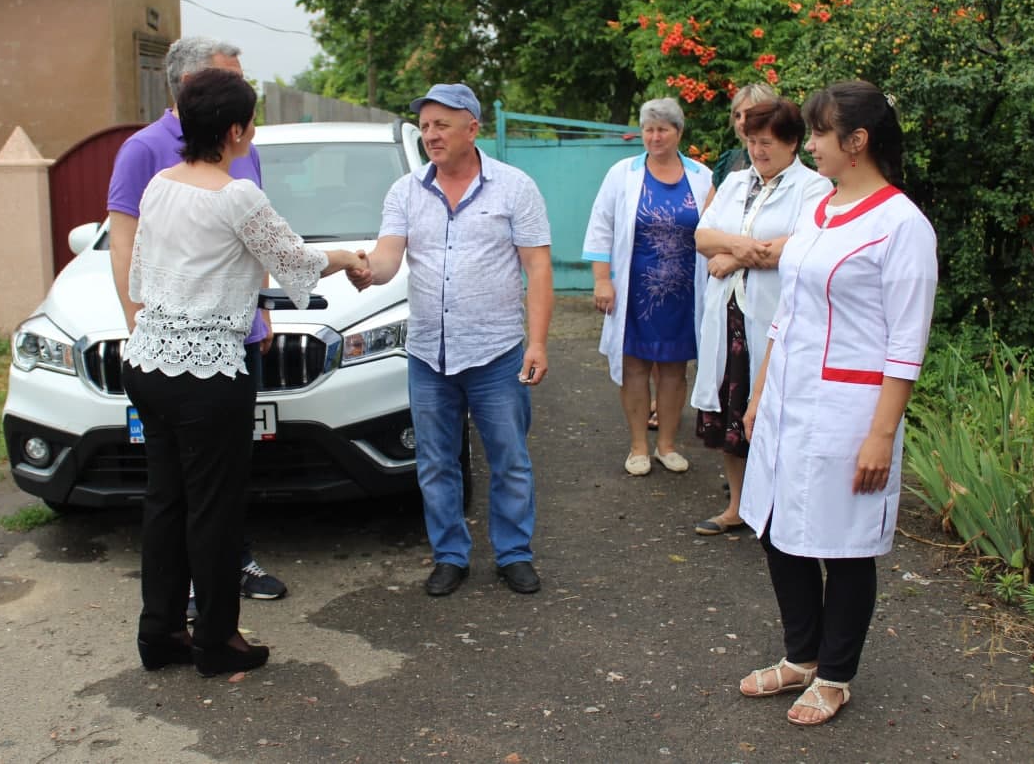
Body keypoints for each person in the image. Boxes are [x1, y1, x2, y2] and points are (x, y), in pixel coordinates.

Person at [123, 68, 364, 675]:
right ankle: (215, 641)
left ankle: (160, 633)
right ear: (235, 130)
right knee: (215, 507)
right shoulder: (237, 195)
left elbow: (140, 279)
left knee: (165, 501)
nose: (252, 131)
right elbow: (294, 260)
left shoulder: (158, 186)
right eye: (251, 121)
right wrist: (349, 257)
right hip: (208, 372)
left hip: (148, 360)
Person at [738, 80, 937, 725]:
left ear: (858, 142)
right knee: (777, 528)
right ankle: (801, 656)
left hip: (850, 411)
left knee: (843, 544)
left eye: (820, 133)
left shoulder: (902, 225)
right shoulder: (820, 208)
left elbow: (906, 343)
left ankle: (836, 674)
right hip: (787, 399)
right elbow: (788, 310)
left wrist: (881, 434)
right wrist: (760, 391)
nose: (812, 144)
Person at [346, 83, 554, 597]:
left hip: (497, 352)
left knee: (509, 459)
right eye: (425, 126)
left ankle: (514, 554)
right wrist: (368, 271)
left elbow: (538, 267)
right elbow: (389, 256)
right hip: (428, 354)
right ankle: (449, 556)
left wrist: (537, 342)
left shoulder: (514, 187)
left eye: (442, 125)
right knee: (436, 462)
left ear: (472, 129)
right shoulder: (406, 191)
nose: (431, 135)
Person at [107, 36, 287, 606]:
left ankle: (234, 561)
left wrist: (261, 309)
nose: (243, 90)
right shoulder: (144, 151)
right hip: (175, 343)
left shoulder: (241, 145)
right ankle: (193, 594)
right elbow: (125, 241)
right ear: (192, 86)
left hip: (235, 338)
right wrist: (137, 319)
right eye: (231, 79)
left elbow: (252, 237)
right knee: (180, 482)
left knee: (228, 469)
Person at [690, 99, 830, 535]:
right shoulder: (735, 182)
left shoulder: (814, 188)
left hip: (775, 315)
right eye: (752, 141)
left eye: (766, 142)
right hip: (728, 314)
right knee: (730, 406)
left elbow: (802, 243)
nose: (757, 150)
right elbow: (702, 237)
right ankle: (737, 505)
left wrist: (733, 257)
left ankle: (778, 509)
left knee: (772, 409)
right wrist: (740, 246)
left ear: (792, 143)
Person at [582, 98, 713, 476]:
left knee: (674, 370)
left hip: (684, 293)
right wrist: (602, 280)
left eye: (663, 130)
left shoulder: (701, 176)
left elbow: (715, 228)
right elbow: (601, 225)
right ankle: (638, 446)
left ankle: (667, 445)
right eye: (648, 129)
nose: (655, 137)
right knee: (635, 368)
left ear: (679, 132)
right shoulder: (622, 173)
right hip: (635, 291)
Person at [703, 82, 779, 211]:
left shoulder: (781, 161)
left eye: (749, 114)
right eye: (737, 116)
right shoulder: (729, 161)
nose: (742, 121)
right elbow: (707, 216)